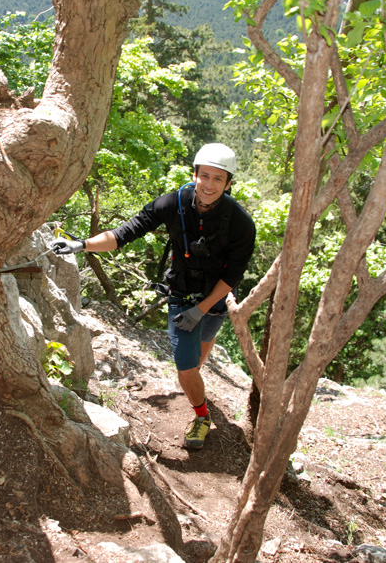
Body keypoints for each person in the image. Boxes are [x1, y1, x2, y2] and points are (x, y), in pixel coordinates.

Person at [52, 143, 256, 449]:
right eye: (205, 176)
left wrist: (200, 311)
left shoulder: (240, 223)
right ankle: (202, 416)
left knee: (205, 340)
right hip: (182, 293)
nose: (209, 185)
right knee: (186, 368)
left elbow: (232, 275)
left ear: (229, 184)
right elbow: (125, 233)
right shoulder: (172, 204)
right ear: (194, 174)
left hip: (217, 297)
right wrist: (81, 245)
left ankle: (194, 377)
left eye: (218, 179)